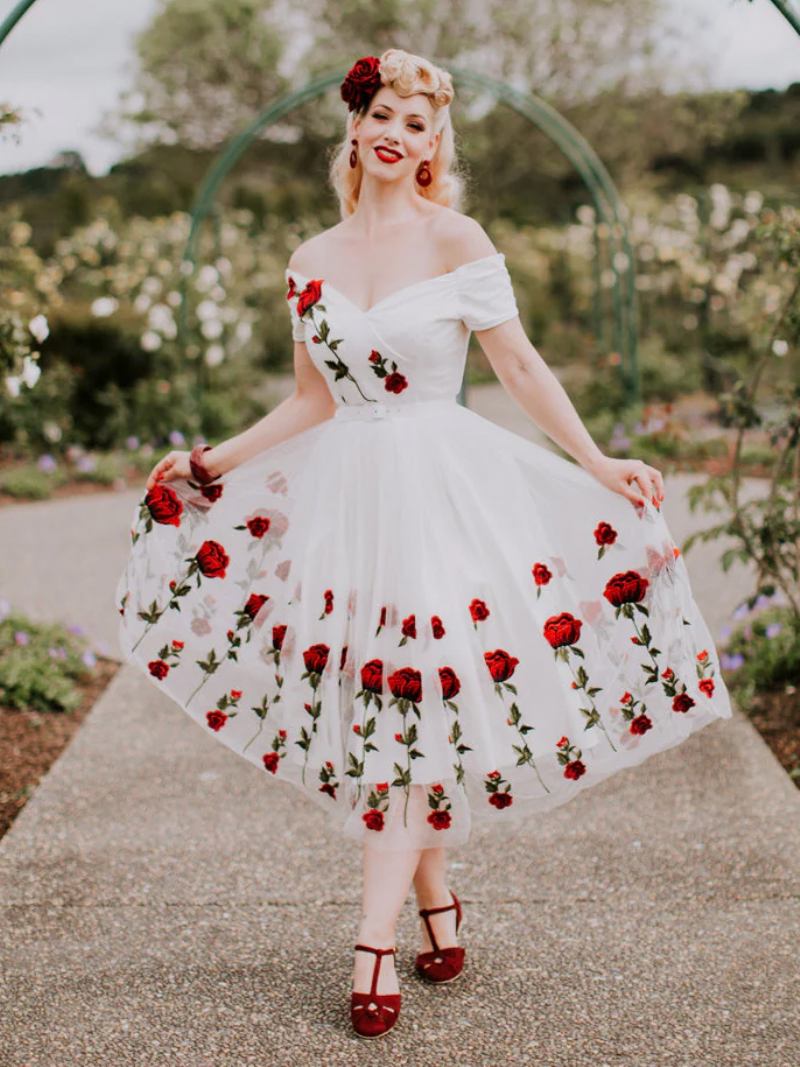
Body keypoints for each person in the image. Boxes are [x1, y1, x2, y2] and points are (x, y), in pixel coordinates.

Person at [115, 48, 733, 1039]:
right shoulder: (310, 259)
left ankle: (369, 939)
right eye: (383, 112)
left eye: (418, 119)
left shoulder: (456, 239)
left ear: (433, 144)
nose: (398, 130)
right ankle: (436, 899)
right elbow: (312, 397)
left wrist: (594, 460)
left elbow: (519, 364)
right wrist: (208, 460)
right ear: (354, 129)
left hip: (442, 496)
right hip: (349, 500)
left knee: (401, 712)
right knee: (389, 714)